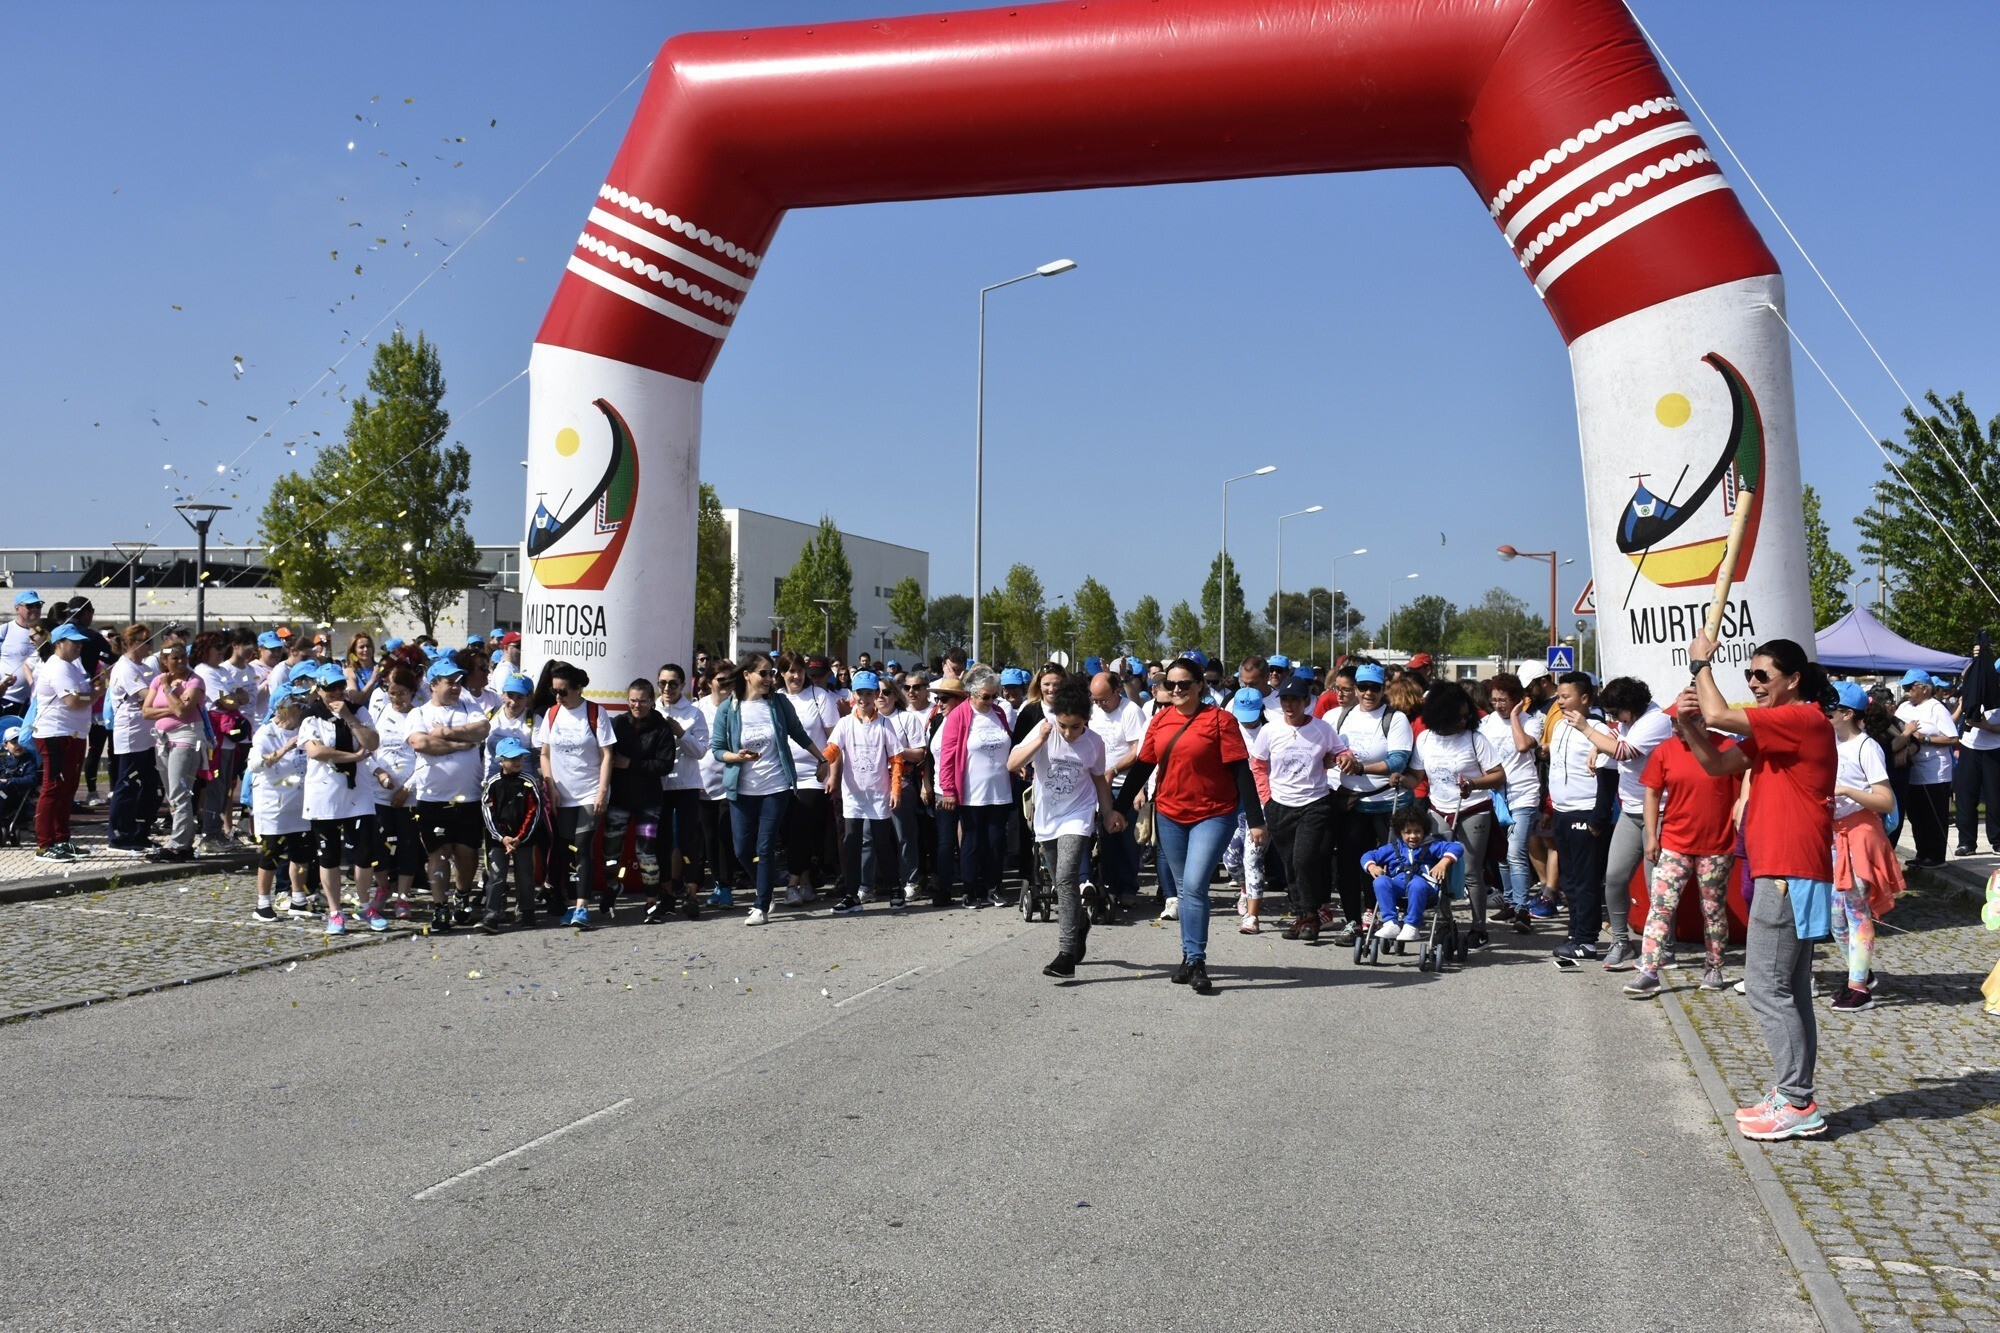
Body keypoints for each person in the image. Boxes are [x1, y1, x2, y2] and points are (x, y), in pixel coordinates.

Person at [1680, 634, 1838, 1141]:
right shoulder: (1780, 731)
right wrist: (1688, 726)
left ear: (1792, 679)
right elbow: (1718, 763)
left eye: (1762, 676)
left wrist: (1702, 664)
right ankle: (1794, 1093)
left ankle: (1797, 1102)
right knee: (1789, 989)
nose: (1753, 683)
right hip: (1785, 868)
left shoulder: (1803, 718)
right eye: (1749, 675)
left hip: (1789, 871)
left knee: (1767, 988)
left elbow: (1723, 716)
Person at [1113, 655, 1265, 995]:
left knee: (1195, 885)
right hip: (1170, 813)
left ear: (1200, 685)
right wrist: (1119, 809)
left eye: (1185, 683)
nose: (1177, 689)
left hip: (1214, 812)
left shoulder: (1220, 721)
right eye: (1171, 684)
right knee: (1184, 890)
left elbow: (1241, 770)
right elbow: (1142, 767)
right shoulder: (1160, 721)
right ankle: (1187, 956)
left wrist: (1255, 820)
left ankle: (1196, 959)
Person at [1623, 700, 1743, 998]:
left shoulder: (1727, 747)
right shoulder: (1665, 751)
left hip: (1716, 846)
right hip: (1675, 843)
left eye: (1683, 722)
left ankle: (1714, 966)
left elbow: (1747, 785)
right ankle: (1649, 971)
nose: (1676, 728)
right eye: (1674, 723)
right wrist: (1652, 835)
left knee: (1713, 909)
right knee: (1660, 907)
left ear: (1704, 720)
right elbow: (1651, 793)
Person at [1009, 673, 1123, 976]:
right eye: (1064, 726)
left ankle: (1065, 953)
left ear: (1086, 720)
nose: (1070, 733)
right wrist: (1041, 739)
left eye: (1076, 726)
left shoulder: (1094, 743)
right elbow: (1012, 764)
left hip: (1078, 814)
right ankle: (1080, 922)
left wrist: (1108, 812)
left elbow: (1099, 779)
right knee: (1061, 882)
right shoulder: (1044, 730)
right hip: (1047, 816)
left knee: (1066, 876)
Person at [1564, 676, 1676, 969]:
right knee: (1614, 878)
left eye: (1616, 713)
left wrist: (1588, 730)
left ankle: (1664, 947)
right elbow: (1617, 742)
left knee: (1658, 887)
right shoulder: (1629, 720)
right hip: (1630, 812)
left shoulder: (1657, 721)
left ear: (1631, 706)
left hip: (1661, 812)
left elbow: (1625, 751)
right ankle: (1621, 942)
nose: (1614, 718)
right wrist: (1599, 747)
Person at [711, 651, 826, 925]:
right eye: (763, 673)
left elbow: (798, 733)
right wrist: (735, 757)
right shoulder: (729, 708)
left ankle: (760, 905)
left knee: (765, 847)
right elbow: (717, 749)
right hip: (741, 789)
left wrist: (822, 758)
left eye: (771, 673)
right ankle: (767, 887)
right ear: (746, 675)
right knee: (741, 849)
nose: (769, 678)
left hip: (776, 787)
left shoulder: (778, 703)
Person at [1249, 676, 1347, 943]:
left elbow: (1341, 751)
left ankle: (1313, 915)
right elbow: (1257, 765)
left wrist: (1341, 758)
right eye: (1285, 700)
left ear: (1306, 701)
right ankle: (1301, 913)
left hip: (1314, 803)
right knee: (1290, 864)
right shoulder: (1270, 730)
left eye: (1295, 699)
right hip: (1280, 805)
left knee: (1305, 859)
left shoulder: (1322, 728)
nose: (1289, 705)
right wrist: (1267, 798)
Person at [1827, 681, 1903, 1012]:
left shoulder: (1866, 747)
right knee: (1836, 920)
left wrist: (1847, 790)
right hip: (1835, 838)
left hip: (1859, 836)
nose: (1823, 712)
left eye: (1829, 708)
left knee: (1856, 914)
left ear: (1847, 713)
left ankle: (1859, 989)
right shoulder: (1828, 741)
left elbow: (1886, 800)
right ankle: (1862, 973)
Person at [1411, 680, 1506, 947]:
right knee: (1437, 868)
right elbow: (1416, 776)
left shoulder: (1475, 738)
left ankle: (1479, 928)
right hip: (1439, 809)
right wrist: (1396, 777)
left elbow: (1499, 775)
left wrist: (1473, 784)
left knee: (1471, 871)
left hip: (1473, 808)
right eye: (1459, 717)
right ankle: (1445, 922)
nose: (1464, 721)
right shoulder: (1425, 738)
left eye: (1468, 716)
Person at [1327, 663, 1414, 945]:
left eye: (1374, 688)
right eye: (1362, 687)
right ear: (1354, 688)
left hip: (1387, 803)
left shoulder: (1395, 719)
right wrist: (1337, 761)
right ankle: (1353, 921)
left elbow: (1398, 762)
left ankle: (1383, 915)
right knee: (1350, 865)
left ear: (1384, 688)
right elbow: (1326, 753)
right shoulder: (1340, 717)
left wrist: (1361, 767)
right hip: (1352, 802)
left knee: (1390, 865)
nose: (1368, 693)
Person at [407, 658, 491, 931]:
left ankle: (462, 896)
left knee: (467, 854)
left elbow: (483, 729)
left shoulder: (470, 706)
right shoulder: (418, 713)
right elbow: (420, 742)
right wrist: (461, 744)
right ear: (433, 685)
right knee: (438, 855)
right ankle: (440, 906)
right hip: (434, 797)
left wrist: (446, 733)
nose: (455, 687)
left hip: (468, 797)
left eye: (458, 682)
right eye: (449, 682)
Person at [535, 663, 619, 929]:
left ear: (577, 688)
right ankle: (565, 901)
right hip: (562, 794)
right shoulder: (551, 713)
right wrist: (551, 786)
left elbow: (607, 755)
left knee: (582, 847)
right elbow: (544, 753)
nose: (558, 697)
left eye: (563, 691)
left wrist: (602, 791)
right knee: (563, 850)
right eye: (554, 691)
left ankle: (582, 907)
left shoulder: (595, 713)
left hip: (588, 792)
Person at [299, 664, 380, 936]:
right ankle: (335, 911)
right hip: (325, 793)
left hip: (358, 793)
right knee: (329, 855)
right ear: (319, 690)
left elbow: (372, 742)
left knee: (364, 853)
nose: (336, 692)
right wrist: (353, 758)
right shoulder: (311, 716)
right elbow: (315, 751)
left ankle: (365, 904)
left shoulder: (358, 710)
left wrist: (349, 717)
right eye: (330, 688)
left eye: (339, 687)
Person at [1545, 671, 1619, 967]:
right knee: (1569, 879)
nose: (1560, 702)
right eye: (1558, 696)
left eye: (1566, 697)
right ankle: (1575, 933)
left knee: (1585, 881)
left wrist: (1598, 820)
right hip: (1562, 812)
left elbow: (1608, 777)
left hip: (1586, 813)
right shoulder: (1561, 726)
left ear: (1585, 698)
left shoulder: (1599, 730)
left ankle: (1587, 940)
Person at [935, 665, 1018, 910]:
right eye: (986, 696)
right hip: (971, 792)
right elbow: (947, 757)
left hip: (1000, 790)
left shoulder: (999, 714)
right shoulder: (958, 716)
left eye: (995, 696)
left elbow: (1009, 745)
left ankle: (994, 888)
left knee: (995, 842)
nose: (991, 701)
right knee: (971, 842)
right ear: (971, 693)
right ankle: (970, 890)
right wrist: (948, 790)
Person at [824, 671, 904, 915]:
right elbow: (833, 748)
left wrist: (895, 789)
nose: (864, 698)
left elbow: (896, 759)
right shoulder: (845, 723)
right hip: (853, 796)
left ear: (876, 695)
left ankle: (895, 890)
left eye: (869, 693)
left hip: (879, 795)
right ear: (853, 695)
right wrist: (822, 764)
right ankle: (852, 895)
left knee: (882, 843)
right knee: (852, 844)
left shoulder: (884, 724)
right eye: (860, 693)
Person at [604, 677, 675, 920]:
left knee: (646, 853)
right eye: (633, 701)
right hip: (620, 798)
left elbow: (665, 765)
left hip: (649, 800)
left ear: (652, 701)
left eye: (643, 701)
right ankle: (613, 885)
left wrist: (631, 764)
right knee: (611, 852)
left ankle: (651, 903)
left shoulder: (661, 727)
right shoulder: (617, 724)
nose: (637, 705)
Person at [248, 687, 316, 922]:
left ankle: (298, 899)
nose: (302, 710)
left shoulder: (304, 730)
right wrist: (284, 749)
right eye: (297, 706)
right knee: (271, 855)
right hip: (273, 805)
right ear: (283, 708)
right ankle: (263, 904)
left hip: (300, 804)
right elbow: (255, 765)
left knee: (300, 854)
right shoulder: (266, 733)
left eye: (302, 706)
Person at [1481, 673, 1543, 932]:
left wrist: (1516, 716)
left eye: (1504, 700)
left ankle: (1522, 909)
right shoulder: (1485, 723)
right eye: (1494, 700)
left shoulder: (1532, 722)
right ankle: (1509, 901)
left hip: (1523, 793)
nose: (1498, 705)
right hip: (1495, 796)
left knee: (1516, 853)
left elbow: (1522, 746)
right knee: (1502, 854)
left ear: (1518, 700)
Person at [365, 664, 428, 920]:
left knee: (408, 846)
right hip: (380, 794)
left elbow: (425, 759)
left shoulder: (420, 716)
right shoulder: (378, 713)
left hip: (408, 795)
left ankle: (403, 896)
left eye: (402, 693)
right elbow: (367, 751)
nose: (397, 699)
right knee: (377, 845)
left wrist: (407, 788)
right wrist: (379, 772)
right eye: (392, 693)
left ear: (412, 692)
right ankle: (382, 887)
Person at [30, 623, 97, 862]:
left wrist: (93, 692)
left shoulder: (71, 667)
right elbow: (74, 701)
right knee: (53, 788)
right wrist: (97, 693)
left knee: (67, 789)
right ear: (59, 644)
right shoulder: (58, 667)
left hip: (73, 734)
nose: (79, 646)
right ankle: (45, 844)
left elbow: (81, 697)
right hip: (55, 734)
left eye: (80, 642)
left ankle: (61, 838)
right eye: (74, 642)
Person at [779, 652, 842, 904]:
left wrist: (832, 774)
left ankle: (792, 885)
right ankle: (805, 882)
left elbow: (835, 739)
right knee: (790, 833)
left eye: (799, 670)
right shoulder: (777, 700)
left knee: (801, 829)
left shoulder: (819, 697)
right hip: (781, 776)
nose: (796, 676)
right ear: (781, 673)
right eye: (790, 671)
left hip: (813, 776)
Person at [1088, 669, 1149, 915]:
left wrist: (1113, 769)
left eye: (1104, 699)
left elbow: (1138, 750)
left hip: (1123, 785)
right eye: (1095, 700)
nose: (1100, 705)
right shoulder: (1093, 712)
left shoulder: (1130, 711)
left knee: (1125, 839)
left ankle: (1128, 888)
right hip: (1095, 785)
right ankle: (1108, 885)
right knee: (1103, 840)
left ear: (1117, 692)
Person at [655, 663, 711, 921]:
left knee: (689, 841)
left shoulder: (694, 713)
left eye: (673, 684)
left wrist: (680, 734)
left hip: (687, 784)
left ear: (682, 685)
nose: (667, 688)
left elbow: (700, 751)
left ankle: (691, 891)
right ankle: (666, 893)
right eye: (663, 683)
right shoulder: (651, 708)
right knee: (662, 841)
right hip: (659, 786)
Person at [141, 639, 206, 861]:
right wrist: (169, 707)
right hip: (162, 739)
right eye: (174, 657)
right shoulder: (157, 680)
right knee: (172, 794)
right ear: (165, 660)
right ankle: (185, 843)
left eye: (183, 657)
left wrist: (169, 690)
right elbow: (146, 712)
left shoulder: (194, 681)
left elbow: (182, 711)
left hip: (186, 738)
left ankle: (177, 844)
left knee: (180, 791)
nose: (180, 661)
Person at [478, 736, 548, 933]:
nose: (518, 762)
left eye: (520, 757)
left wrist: (520, 837)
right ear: (501, 760)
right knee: (497, 876)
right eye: (512, 758)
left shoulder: (529, 782)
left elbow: (534, 812)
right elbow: (487, 812)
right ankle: (492, 914)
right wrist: (501, 837)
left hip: (523, 840)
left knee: (525, 876)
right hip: (498, 840)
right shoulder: (492, 783)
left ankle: (526, 911)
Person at [1361, 810, 1464, 942]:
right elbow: (1368, 856)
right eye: (1407, 832)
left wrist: (1443, 863)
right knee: (1380, 882)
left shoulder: (1432, 846)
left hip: (1425, 889)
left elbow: (1457, 848)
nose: (1413, 836)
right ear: (1400, 833)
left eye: (1417, 831)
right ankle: (1390, 923)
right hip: (1398, 889)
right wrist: (1372, 866)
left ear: (1425, 831)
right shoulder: (1393, 848)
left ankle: (1412, 925)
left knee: (1416, 884)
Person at [105, 624, 160, 856]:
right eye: (147, 642)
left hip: (149, 735)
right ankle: (119, 835)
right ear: (134, 643)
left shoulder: (145, 667)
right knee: (129, 784)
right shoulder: (125, 668)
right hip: (131, 734)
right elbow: (147, 695)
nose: (150, 647)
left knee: (151, 785)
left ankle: (141, 830)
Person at [1894, 669, 1957, 868]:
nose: (1906, 691)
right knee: (1915, 815)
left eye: (1909, 687)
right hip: (1911, 770)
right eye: (1904, 687)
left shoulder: (1936, 708)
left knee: (1933, 814)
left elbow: (1953, 738)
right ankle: (1922, 853)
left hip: (1934, 771)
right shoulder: (1903, 706)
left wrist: (1926, 739)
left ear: (1924, 688)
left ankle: (1936, 856)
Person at [696, 664, 745, 907]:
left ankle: (727, 885)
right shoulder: (698, 708)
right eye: (720, 680)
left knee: (726, 836)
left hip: (730, 780)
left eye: (730, 681)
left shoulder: (739, 707)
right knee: (709, 837)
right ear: (708, 681)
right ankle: (717, 883)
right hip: (702, 782)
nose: (725, 685)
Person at [887, 673, 935, 904]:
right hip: (877, 785)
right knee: (875, 837)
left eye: (917, 686)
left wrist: (893, 749)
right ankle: (879, 882)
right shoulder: (870, 718)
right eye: (907, 687)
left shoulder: (912, 718)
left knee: (909, 835)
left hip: (909, 782)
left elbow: (922, 755)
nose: (912, 691)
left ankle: (914, 880)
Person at [1953, 650, 2000, 856]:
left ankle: (1997, 841)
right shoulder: (1974, 688)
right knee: (1966, 796)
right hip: (1969, 747)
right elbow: (1966, 675)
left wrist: (1986, 726)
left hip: (1994, 749)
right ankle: (1966, 842)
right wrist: (1977, 659)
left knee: (1995, 797)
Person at [0, 590, 43, 717]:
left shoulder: (44, 633)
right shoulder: (5, 630)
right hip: (7, 700)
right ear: (17, 608)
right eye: (29, 606)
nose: (35, 609)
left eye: (38, 605)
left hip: (34, 702)